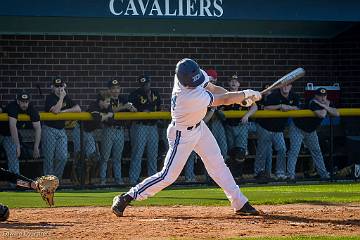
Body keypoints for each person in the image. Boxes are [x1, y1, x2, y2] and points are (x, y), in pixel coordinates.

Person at [111, 58, 262, 217]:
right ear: (184, 81)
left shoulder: (191, 75)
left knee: (218, 164)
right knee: (168, 176)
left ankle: (239, 203)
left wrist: (240, 98)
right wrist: (244, 94)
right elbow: (223, 100)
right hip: (182, 135)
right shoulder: (187, 97)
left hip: (200, 127)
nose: (196, 83)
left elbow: (212, 87)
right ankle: (127, 197)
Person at [287, 88, 338, 181]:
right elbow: (321, 114)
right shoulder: (313, 102)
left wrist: (325, 106)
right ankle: (290, 176)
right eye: (320, 96)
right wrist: (327, 106)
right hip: (298, 127)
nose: (323, 98)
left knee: (316, 151)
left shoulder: (325, 103)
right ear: (316, 96)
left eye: (324, 96)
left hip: (310, 130)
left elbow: (337, 113)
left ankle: (324, 174)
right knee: (294, 151)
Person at [254, 83, 299, 180]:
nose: (286, 87)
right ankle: (258, 172)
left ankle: (280, 172)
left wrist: (288, 107)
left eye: (288, 85)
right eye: (284, 85)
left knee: (282, 149)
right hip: (265, 127)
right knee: (262, 151)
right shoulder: (273, 95)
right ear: (280, 86)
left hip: (278, 129)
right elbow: (266, 108)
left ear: (291, 86)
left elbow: (297, 108)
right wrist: (280, 106)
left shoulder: (294, 96)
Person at [42, 78, 81, 179]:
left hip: (61, 130)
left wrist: (63, 112)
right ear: (52, 87)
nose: (59, 88)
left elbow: (78, 109)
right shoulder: (50, 98)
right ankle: (48, 182)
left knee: (63, 157)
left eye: (61, 86)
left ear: (64, 86)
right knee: (49, 158)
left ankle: (56, 180)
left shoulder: (66, 97)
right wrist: (61, 98)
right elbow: (55, 111)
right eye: (56, 86)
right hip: (49, 129)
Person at [101, 79, 135, 185]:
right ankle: (102, 180)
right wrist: (124, 107)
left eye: (117, 88)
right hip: (108, 129)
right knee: (105, 157)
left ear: (120, 89)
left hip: (120, 130)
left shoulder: (123, 99)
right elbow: (109, 111)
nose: (115, 91)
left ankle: (118, 180)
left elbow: (133, 110)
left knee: (117, 157)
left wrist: (131, 107)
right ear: (109, 90)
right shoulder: (105, 99)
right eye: (113, 89)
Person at [128, 75, 162, 185]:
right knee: (138, 153)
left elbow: (159, 108)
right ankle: (133, 179)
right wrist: (144, 110)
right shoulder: (134, 94)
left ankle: (152, 179)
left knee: (153, 154)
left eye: (146, 84)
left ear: (149, 83)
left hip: (152, 126)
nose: (145, 86)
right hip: (140, 126)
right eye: (143, 85)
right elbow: (131, 109)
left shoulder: (155, 94)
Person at [223, 75, 258, 178]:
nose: (234, 83)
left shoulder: (244, 95)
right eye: (232, 81)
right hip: (228, 126)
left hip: (241, 125)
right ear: (229, 83)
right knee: (231, 152)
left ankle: (238, 175)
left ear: (239, 84)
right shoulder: (225, 95)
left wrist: (247, 115)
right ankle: (231, 176)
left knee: (240, 152)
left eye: (236, 81)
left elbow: (255, 107)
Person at [0, 92, 41, 175]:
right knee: (15, 149)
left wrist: (36, 146)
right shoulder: (13, 106)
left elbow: (38, 128)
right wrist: (17, 145)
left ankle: (14, 184)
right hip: (1, 131)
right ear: (18, 101)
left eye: (26, 102)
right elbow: (12, 126)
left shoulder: (31, 108)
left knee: (14, 156)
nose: (24, 104)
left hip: (9, 136)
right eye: (22, 102)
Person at [81, 91, 114, 184]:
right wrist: (106, 116)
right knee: (78, 156)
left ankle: (88, 180)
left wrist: (104, 116)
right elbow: (97, 119)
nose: (109, 103)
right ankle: (79, 181)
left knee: (93, 157)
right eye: (107, 101)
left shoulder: (107, 107)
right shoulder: (93, 105)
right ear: (101, 101)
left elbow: (111, 119)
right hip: (80, 130)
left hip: (89, 133)